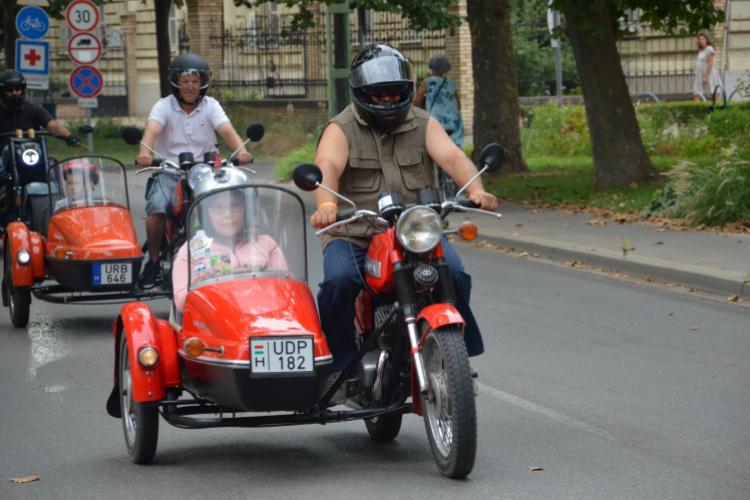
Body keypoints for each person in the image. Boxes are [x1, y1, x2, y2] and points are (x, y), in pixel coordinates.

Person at [310, 43, 498, 404]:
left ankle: (457, 358)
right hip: (357, 233)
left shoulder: (423, 122)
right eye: (377, 95)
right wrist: (327, 204)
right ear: (361, 93)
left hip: (415, 234)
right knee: (337, 282)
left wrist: (476, 189)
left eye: (393, 93)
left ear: (406, 91)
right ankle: (339, 364)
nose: (385, 100)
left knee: (455, 275)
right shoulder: (342, 127)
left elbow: (453, 157)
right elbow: (327, 168)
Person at [137, 53, 254, 278]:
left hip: (206, 172)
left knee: (228, 206)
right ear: (175, 83)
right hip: (169, 170)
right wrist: (144, 153)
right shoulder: (164, 106)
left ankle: (235, 255)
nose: (190, 87)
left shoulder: (211, 105)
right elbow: (151, 131)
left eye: (195, 81)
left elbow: (228, 131)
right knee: (156, 207)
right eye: (185, 81)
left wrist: (243, 151)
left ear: (203, 84)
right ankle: (152, 262)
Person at [172, 188, 287, 313]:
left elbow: (286, 290)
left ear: (246, 209)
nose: (228, 214)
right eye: (218, 208)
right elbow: (182, 303)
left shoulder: (266, 244)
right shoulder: (191, 249)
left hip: (262, 319)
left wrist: (264, 275)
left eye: (235, 206)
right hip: (213, 324)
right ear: (205, 213)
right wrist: (207, 277)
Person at [0, 70, 79, 179]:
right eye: (9, 90)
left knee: (53, 170)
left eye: (17, 89)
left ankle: (57, 195)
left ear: (22, 89)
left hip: (31, 155)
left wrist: (70, 137)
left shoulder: (33, 109)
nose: (14, 93)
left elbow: (53, 126)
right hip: (4, 158)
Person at [414, 54, 464, 199]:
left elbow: (416, 101)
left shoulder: (427, 82)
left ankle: (435, 190)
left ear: (431, 68)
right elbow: (458, 105)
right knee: (452, 155)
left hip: (435, 123)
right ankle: (453, 192)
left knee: (432, 155)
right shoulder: (451, 83)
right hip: (453, 124)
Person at [693, 32, 721, 102]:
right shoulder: (701, 50)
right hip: (700, 75)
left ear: (706, 40)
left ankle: (722, 110)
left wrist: (706, 76)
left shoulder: (709, 49)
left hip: (709, 74)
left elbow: (710, 63)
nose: (701, 41)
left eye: (703, 39)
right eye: (700, 39)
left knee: (714, 94)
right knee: (696, 93)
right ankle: (695, 111)